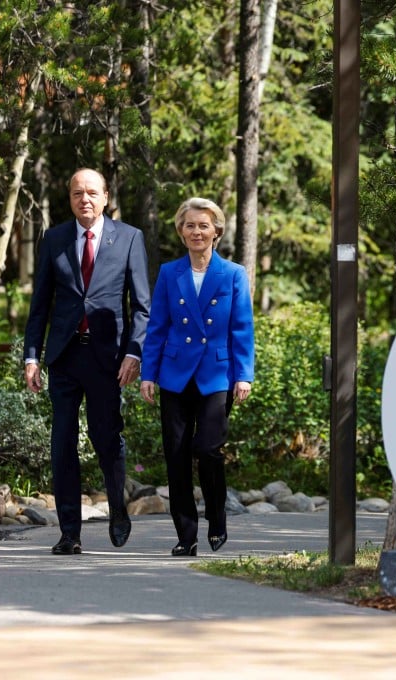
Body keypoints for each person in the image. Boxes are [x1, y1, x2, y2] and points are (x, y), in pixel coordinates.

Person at [23, 168, 151, 555]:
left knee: (106, 437)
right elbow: (40, 304)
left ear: (106, 197)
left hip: (108, 358)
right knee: (62, 442)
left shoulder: (129, 238)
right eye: (78, 193)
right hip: (64, 355)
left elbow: (142, 307)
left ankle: (117, 509)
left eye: (92, 193)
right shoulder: (55, 239)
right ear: (70, 199)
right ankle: (69, 533)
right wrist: (32, 357)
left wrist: (134, 352)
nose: (85, 200)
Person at [140, 197, 254, 557]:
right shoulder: (169, 273)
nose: (197, 231)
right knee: (175, 455)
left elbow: (242, 328)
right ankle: (186, 535)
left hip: (216, 376)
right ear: (181, 231)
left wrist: (244, 375)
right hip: (174, 375)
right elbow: (157, 327)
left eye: (204, 225)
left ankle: (217, 517)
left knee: (208, 449)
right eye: (190, 225)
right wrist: (148, 373)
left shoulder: (233, 274)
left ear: (216, 231)